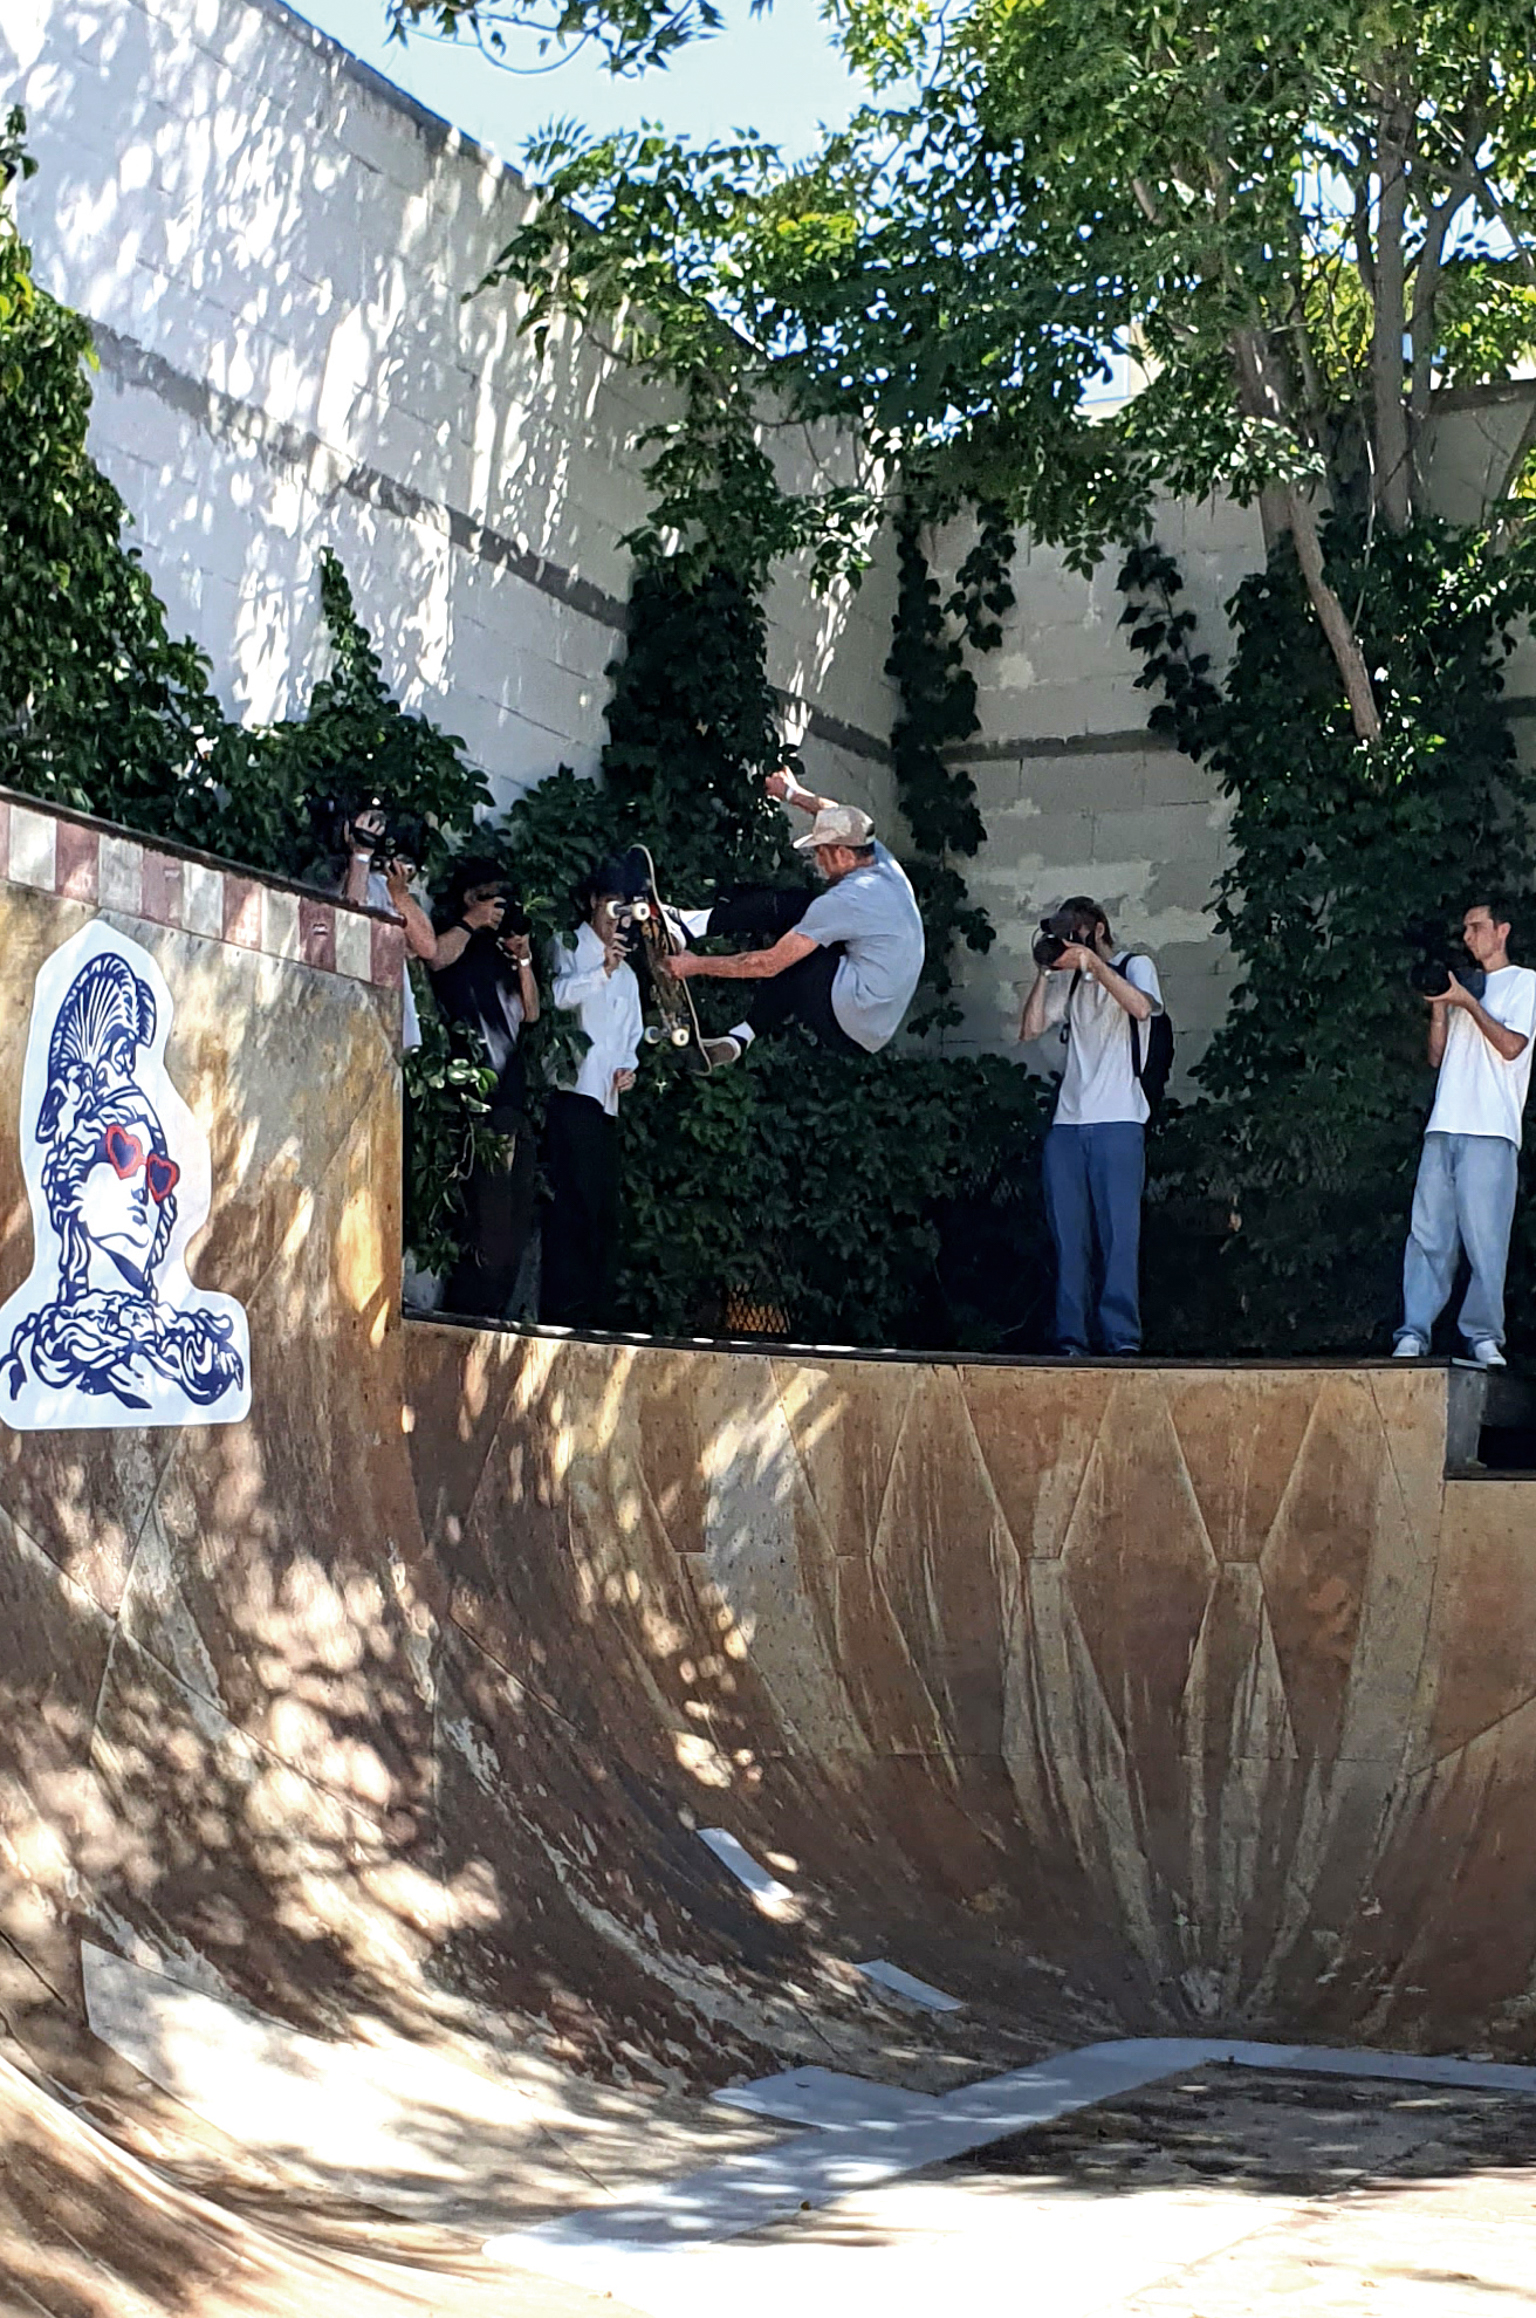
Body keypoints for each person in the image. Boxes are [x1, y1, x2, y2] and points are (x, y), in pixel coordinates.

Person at [661, 768, 925, 1065]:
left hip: (847, 1019)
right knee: (808, 944)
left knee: (796, 924)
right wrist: (790, 793)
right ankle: (740, 1037)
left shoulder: (847, 900)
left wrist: (693, 965)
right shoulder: (879, 860)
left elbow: (766, 964)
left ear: (841, 854)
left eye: (821, 853)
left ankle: (687, 926)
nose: (818, 861)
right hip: (872, 1030)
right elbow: (834, 813)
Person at [1018, 896, 1163, 1357]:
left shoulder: (1134, 964)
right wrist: (1045, 969)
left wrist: (1094, 966)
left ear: (1098, 928)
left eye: (1078, 930)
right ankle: (1071, 1338)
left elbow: (1142, 1009)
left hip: (1119, 1118)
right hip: (1069, 1123)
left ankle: (1122, 1339)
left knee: (1120, 1236)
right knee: (1070, 1236)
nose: (1072, 939)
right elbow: (1031, 1028)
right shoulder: (1072, 983)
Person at [1394, 900, 1536, 1368]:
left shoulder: (1524, 983)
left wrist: (1468, 1003)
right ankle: (1414, 1331)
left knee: (1486, 1241)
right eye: (1466, 929)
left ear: (1503, 931)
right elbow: (1436, 1057)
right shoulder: (1464, 986)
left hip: (1492, 1129)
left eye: (1476, 927)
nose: (1468, 937)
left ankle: (1483, 1337)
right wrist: (1440, 1007)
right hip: (1445, 1123)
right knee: (1428, 1237)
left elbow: (1512, 1046)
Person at [428, 858, 541, 1321]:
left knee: (515, 1226)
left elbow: (530, 1012)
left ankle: (494, 1314)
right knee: (486, 1225)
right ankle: (467, 1315)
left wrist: (524, 957)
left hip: (512, 1099)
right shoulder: (454, 937)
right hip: (476, 1101)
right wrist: (470, 922)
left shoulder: (499, 949)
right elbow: (435, 956)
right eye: (487, 895)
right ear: (468, 896)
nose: (497, 906)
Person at [541, 859, 645, 1328]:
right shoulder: (568, 947)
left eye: (627, 910)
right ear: (592, 904)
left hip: (605, 1101)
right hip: (570, 1091)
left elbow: (631, 1037)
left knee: (601, 1206)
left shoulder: (629, 976)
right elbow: (558, 997)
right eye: (612, 907)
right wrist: (600, 971)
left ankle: (596, 1307)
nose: (619, 919)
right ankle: (565, 1306)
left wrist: (630, 1068)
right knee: (571, 1203)